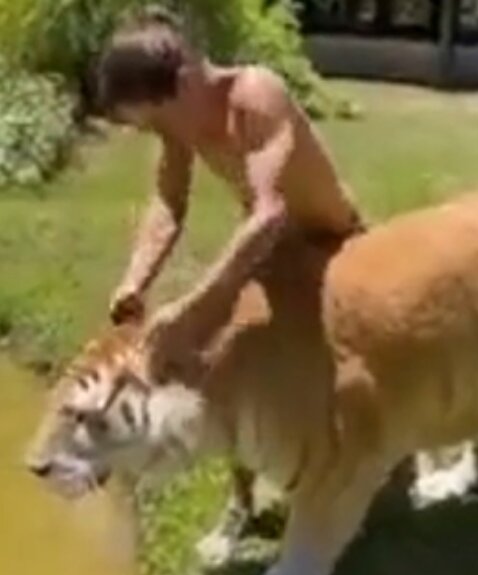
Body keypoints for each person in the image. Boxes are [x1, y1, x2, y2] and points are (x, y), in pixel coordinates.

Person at [98, 6, 364, 377]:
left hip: (335, 242)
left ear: (186, 81)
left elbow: (270, 213)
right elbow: (169, 204)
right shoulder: (178, 124)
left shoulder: (254, 96)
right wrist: (134, 282)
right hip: (274, 255)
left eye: (157, 119)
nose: (159, 131)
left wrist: (194, 309)